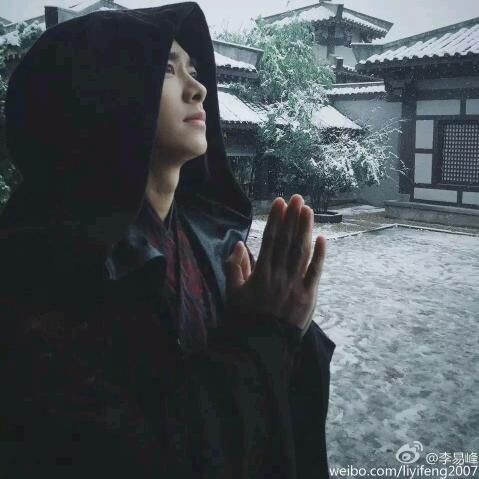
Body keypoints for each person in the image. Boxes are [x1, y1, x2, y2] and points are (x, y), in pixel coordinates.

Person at [0, 3, 336, 478]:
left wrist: (285, 324)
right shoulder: (45, 268)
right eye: (166, 69)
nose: (199, 89)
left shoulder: (213, 243)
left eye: (194, 70)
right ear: (101, 93)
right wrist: (266, 333)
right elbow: (132, 454)